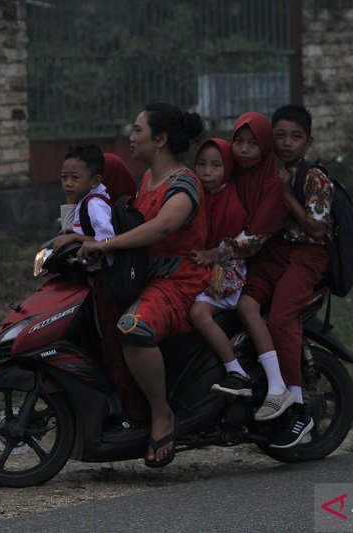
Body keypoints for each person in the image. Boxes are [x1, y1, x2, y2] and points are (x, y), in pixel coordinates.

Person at [78, 102, 208, 468]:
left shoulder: (184, 184)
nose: (130, 137)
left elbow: (163, 227)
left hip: (179, 282)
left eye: (138, 131)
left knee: (134, 327)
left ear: (161, 139)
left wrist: (107, 245)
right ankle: (129, 413)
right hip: (147, 279)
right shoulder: (149, 178)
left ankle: (161, 413)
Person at [236, 104, 334, 448]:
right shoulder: (266, 172)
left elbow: (318, 229)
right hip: (275, 252)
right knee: (245, 302)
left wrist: (286, 194)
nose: (287, 143)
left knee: (281, 317)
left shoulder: (313, 178)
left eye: (295, 137)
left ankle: (297, 402)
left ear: (308, 141)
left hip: (308, 254)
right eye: (280, 136)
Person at [204, 112, 289, 400]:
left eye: (252, 143)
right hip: (233, 260)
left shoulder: (273, 184)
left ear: (265, 146)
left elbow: (255, 238)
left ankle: (276, 385)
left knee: (246, 308)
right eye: (238, 141)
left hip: (265, 260)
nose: (243, 149)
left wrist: (217, 251)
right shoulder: (233, 175)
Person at [188, 138, 251, 396]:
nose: (206, 172)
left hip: (228, 272)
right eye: (201, 164)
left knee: (198, 313)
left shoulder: (232, 201)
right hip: (207, 265)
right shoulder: (201, 197)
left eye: (216, 165)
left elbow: (236, 245)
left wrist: (211, 254)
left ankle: (235, 370)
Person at [52, 145, 114, 263]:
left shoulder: (95, 204)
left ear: (95, 181)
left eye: (75, 178)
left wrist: (75, 237)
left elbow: (108, 240)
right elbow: (67, 229)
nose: (68, 183)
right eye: (64, 177)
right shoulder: (82, 198)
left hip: (102, 274)